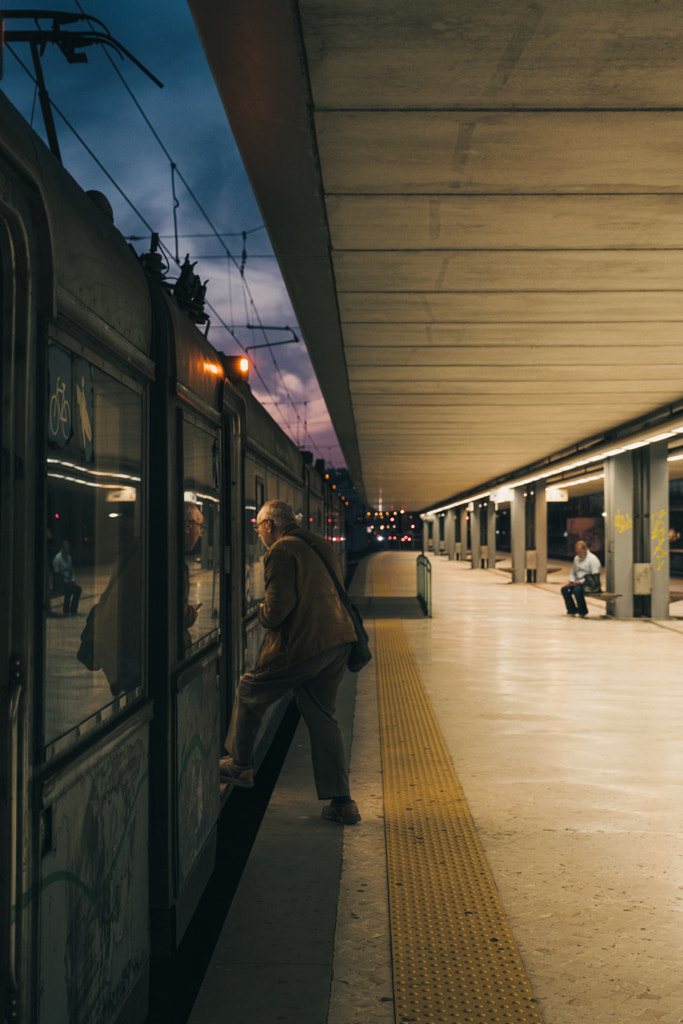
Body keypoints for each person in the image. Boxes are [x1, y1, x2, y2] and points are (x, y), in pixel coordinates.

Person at [220, 499, 361, 825]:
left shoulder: (281, 551)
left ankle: (239, 764)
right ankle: (343, 802)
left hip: (306, 645)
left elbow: (277, 611)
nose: (259, 534)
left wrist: (258, 610)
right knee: (322, 717)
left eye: (258, 528)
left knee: (249, 688)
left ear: (269, 525)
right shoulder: (319, 543)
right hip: (339, 642)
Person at [561, 540, 601, 617]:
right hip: (577, 581)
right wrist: (571, 580)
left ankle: (582, 611)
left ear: (585, 549)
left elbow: (594, 577)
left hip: (589, 583)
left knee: (577, 590)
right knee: (565, 589)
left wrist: (580, 582)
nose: (579, 554)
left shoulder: (593, 560)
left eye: (580, 552)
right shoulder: (576, 558)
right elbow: (573, 571)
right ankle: (571, 610)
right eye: (577, 552)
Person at [183, 502, 204, 648]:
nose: (200, 533)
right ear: (189, 525)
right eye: (199, 526)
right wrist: (192, 612)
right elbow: (178, 615)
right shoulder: (174, 564)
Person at [52, 540, 81, 615]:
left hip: (68, 581)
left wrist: (72, 580)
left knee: (78, 589)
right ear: (62, 550)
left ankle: (73, 609)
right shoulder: (57, 559)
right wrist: (65, 581)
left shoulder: (69, 558)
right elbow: (57, 575)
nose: (66, 553)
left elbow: (71, 571)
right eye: (65, 551)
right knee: (69, 588)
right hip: (61, 582)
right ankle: (66, 609)